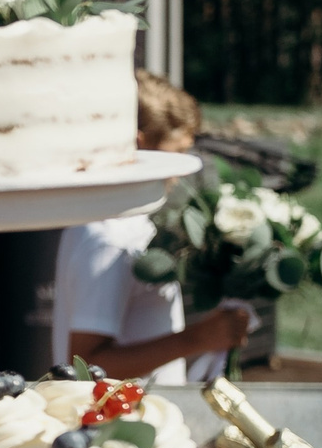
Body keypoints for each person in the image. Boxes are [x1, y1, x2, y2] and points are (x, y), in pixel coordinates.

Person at [51, 72, 254, 382]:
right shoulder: (107, 238)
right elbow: (87, 365)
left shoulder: (132, 222)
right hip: (115, 427)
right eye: (178, 152)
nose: (182, 168)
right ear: (136, 145)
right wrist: (199, 338)